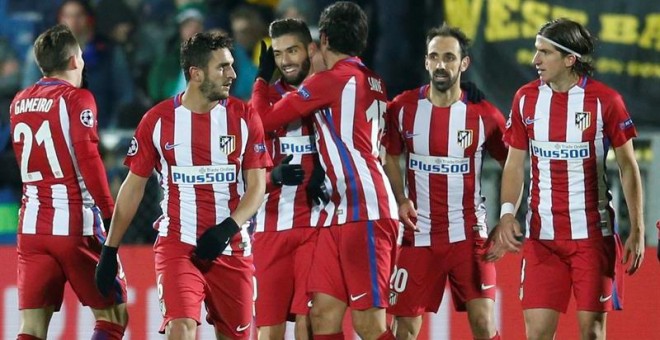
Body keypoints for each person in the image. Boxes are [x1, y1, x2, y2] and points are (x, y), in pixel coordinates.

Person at [95, 31, 271, 339]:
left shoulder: (244, 117)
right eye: (222, 67)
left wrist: (227, 228)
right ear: (196, 73)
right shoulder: (158, 120)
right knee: (181, 326)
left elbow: (257, 187)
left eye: (231, 65)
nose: (232, 74)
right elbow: (132, 188)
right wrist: (110, 249)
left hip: (231, 246)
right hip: (178, 245)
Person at [486, 18, 645, 339]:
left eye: (544, 53)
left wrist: (638, 228)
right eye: (535, 51)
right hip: (542, 239)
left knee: (591, 333)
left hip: (592, 238)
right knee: (538, 334)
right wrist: (505, 214)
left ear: (570, 59)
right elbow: (515, 164)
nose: (535, 60)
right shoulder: (525, 99)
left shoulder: (605, 101)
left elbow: (629, 166)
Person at [252, 2, 399, 339]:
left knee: (369, 325)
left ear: (324, 39)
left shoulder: (331, 81)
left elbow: (263, 121)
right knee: (323, 316)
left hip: (365, 209)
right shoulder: (373, 80)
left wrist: (261, 80)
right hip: (338, 211)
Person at [383, 23, 506, 340]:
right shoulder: (402, 108)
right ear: (425, 61)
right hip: (418, 235)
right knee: (405, 329)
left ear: (464, 63)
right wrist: (400, 199)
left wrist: (508, 215)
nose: (441, 64)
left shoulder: (485, 115)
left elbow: (514, 164)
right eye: (434, 57)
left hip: (468, 236)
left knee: (482, 322)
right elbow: (390, 158)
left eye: (449, 57)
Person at [10, 24, 128, 340]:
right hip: (76, 222)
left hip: (33, 227)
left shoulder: (18, 101)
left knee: (32, 328)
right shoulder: (77, 99)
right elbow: (89, 159)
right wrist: (109, 212)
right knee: (113, 315)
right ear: (76, 60)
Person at [251, 18, 327, 340]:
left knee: (310, 325)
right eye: (279, 54)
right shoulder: (262, 100)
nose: (286, 61)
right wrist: (273, 177)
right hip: (269, 228)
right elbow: (245, 174)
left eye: (293, 51)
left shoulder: (328, 94)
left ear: (310, 49)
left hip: (315, 227)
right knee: (270, 331)